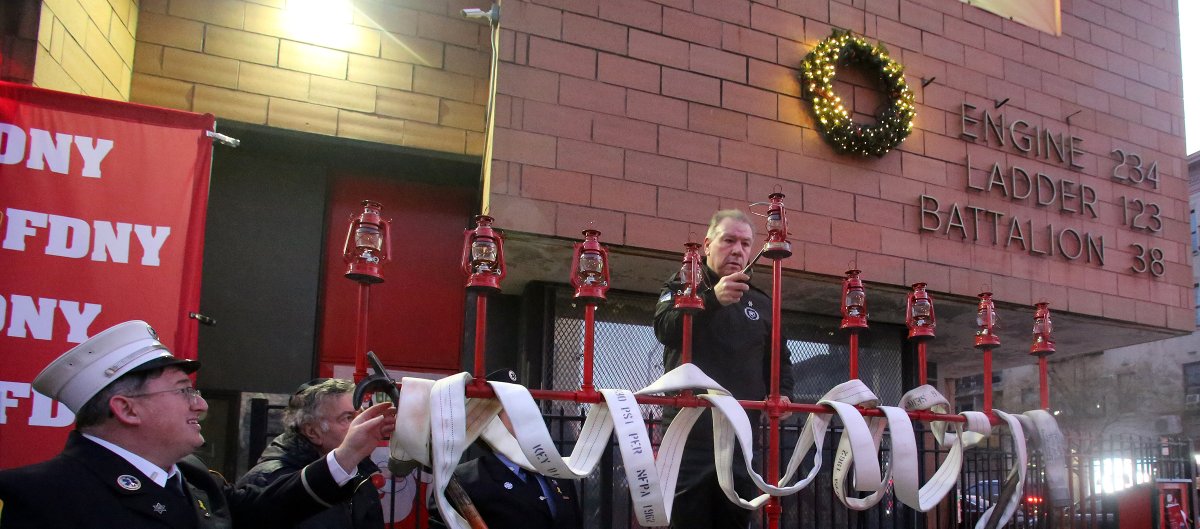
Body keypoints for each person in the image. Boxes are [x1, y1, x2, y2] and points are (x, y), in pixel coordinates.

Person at [0, 320, 395, 529]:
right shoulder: (37, 496)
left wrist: (348, 453)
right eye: (183, 391)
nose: (201, 405)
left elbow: (261, 513)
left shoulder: (192, 479)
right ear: (127, 409)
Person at [653, 209, 795, 529]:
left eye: (745, 243)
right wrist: (711, 299)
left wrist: (783, 391)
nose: (737, 250)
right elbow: (665, 329)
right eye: (728, 240)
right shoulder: (682, 284)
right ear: (707, 245)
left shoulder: (760, 302)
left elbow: (779, 358)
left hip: (741, 438)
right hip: (689, 437)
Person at [428, 369, 581, 529]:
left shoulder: (556, 473)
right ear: (489, 419)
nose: (524, 414)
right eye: (510, 408)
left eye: (526, 405)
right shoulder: (464, 481)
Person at [238, 378, 384, 529]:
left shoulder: (358, 474)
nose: (360, 425)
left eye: (360, 415)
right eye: (348, 418)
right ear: (312, 431)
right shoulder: (267, 481)